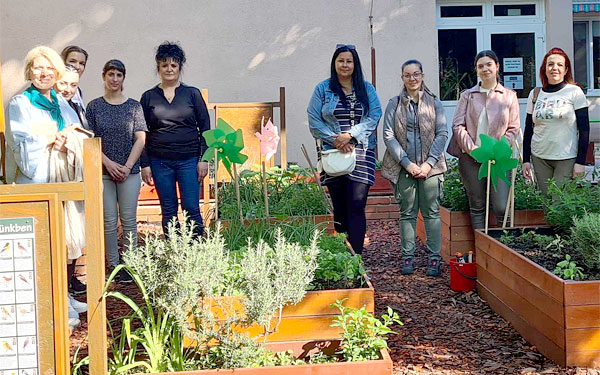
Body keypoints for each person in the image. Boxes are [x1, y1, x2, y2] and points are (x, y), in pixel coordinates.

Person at [5, 45, 86, 331]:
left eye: (50, 67)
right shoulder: (20, 104)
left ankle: (63, 294)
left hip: (64, 183)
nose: (44, 72)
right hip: (38, 184)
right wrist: (56, 137)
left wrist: (69, 139)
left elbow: (80, 133)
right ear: (29, 72)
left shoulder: (63, 104)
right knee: (46, 246)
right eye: (38, 67)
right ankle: (53, 306)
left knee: (63, 244)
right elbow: (22, 146)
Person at [307, 44, 382, 254]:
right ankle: (343, 255)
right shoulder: (323, 89)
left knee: (357, 205)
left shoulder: (366, 89)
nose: (345, 65)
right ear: (334, 63)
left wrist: (350, 135)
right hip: (334, 153)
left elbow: (374, 114)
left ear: (355, 64)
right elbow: (314, 120)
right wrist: (336, 139)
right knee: (340, 208)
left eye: (349, 61)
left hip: (361, 152)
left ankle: (356, 258)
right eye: (341, 61)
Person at [381, 60, 447, 276]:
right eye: (407, 75)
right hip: (403, 168)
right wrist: (407, 164)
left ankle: (434, 259)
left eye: (416, 74)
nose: (412, 78)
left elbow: (442, 134)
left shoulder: (434, 103)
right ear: (402, 78)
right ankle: (407, 258)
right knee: (407, 213)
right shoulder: (394, 103)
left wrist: (428, 164)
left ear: (422, 76)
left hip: (431, 168)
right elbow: (388, 136)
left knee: (432, 213)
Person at [140, 42, 210, 238]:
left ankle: (196, 248)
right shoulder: (148, 97)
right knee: (169, 208)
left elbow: (205, 127)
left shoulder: (192, 94)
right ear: (158, 68)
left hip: (189, 160)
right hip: (159, 161)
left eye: (173, 64)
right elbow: (141, 132)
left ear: (180, 67)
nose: (169, 69)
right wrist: (144, 164)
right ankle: (174, 249)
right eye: (165, 65)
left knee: (190, 206)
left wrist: (204, 158)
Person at [86, 59, 147, 282]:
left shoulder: (134, 106)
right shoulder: (94, 107)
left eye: (119, 75)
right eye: (110, 74)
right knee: (109, 220)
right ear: (103, 76)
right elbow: (89, 139)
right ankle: (114, 264)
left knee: (129, 219)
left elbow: (141, 138)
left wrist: (127, 166)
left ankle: (130, 263)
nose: (114, 79)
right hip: (103, 171)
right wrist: (109, 164)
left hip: (129, 172)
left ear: (123, 78)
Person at [447, 50, 520, 229]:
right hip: (471, 157)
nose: (485, 69)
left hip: (499, 159)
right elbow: (458, 125)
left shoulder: (509, 96)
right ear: (476, 70)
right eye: (480, 66)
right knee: (477, 205)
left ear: (497, 67)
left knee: (502, 206)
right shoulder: (468, 95)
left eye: (489, 65)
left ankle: (505, 245)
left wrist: (498, 149)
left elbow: (514, 127)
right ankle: (480, 248)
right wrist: (473, 150)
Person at [522, 47, 590, 195]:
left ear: (566, 70)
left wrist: (581, 162)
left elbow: (584, 129)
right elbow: (528, 129)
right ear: (544, 69)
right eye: (550, 64)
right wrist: (525, 160)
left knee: (560, 203)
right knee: (547, 203)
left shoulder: (574, 92)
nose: (555, 68)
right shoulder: (535, 94)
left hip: (566, 157)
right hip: (539, 157)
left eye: (560, 65)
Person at [54, 63, 90, 295]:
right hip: (54, 174)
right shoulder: (52, 104)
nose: (67, 89)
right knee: (59, 237)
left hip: (72, 172)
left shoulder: (72, 105)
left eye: (73, 85)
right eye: (64, 83)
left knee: (72, 235)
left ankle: (66, 294)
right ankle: (59, 295)